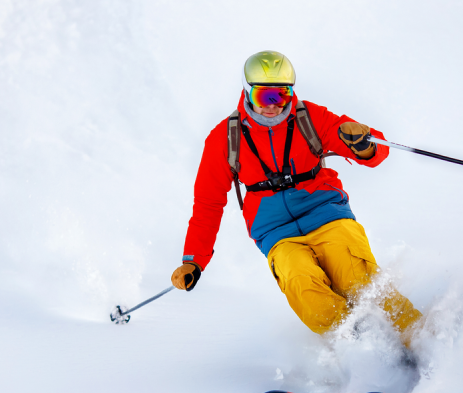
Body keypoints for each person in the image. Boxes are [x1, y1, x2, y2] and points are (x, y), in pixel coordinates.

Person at [171, 50, 422, 343]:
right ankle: (358, 348)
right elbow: (208, 203)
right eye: (265, 97)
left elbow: (375, 149)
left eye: (282, 96)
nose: (273, 106)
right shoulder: (226, 138)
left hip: (328, 215)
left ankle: (418, 337)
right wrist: (193, 260)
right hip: (278, 234)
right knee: (305, 289)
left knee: (357, 278)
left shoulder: (310, 118)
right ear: (247, 92)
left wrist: (362, 144)